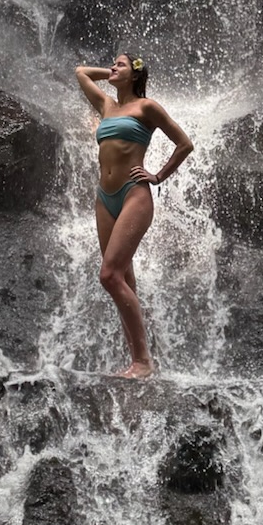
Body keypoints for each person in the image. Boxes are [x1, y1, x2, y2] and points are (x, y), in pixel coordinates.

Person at [72, 52, 194, 379]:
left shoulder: (146, 107)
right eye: (112, 64)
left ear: (136, 74)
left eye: (120, 64)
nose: (113, 67)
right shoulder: (106, 105)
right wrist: (114, 72)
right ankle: (136, 361)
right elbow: (81, 72)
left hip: (133, 195)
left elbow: (184, 144)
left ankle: (143, 361)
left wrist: (158, 176)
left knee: (109, 275)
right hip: (104, 198)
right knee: (123, 280)